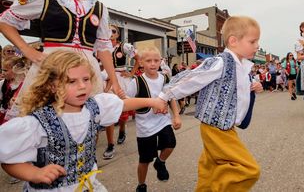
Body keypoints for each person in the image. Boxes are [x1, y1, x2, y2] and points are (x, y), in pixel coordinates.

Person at [0, 50, 166, 192]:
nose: (82, 86)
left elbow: (123, 104)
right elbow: (8, 158)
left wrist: (152, 101)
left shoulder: (95, 106)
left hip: (89, 185)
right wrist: (33, 174)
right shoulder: (36, 123)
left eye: (86, 79)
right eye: (71, 81)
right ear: (51, 85)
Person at [0, 0, 123, 117]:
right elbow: (5, 21)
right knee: (45, 119)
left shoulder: (100, 8)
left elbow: (103, 48)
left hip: (87, 70)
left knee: (85, 121)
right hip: (52, 65)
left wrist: (114, 81)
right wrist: (27, 50)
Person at [152, 16, 263, 191]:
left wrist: (253, 86)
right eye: (253, 41)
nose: (257, 46)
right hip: (217, 128)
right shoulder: (220, 62)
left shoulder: (242, 66)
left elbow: (237, 89)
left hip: (224, 126)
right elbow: (192, 78)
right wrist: (164, 95)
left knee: (210, 168)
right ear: (233, 41)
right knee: (248, 170)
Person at [125, 46, 181, 192]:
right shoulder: (136, 82)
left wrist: (176, 115)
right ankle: (141, 184)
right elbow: (127, 102)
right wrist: (148, 102)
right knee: (145, 160)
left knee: (170, 144)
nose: (153, 63)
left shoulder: (165, 78)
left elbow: (171, 98)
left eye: (156, 60)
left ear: (161, 61)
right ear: (141, 62)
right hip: (146, 126)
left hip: (163, 121)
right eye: (148, 60)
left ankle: (160, 162)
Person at [102, 24, 139, 159]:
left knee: (122, 109)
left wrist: (131, 73)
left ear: (117, 34)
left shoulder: (124, 47)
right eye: (107, 30)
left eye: (113, 31)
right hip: (106, 79)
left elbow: (138, 59)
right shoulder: (101, 47)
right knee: (108, 111)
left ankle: (122, 129)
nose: (110, 33)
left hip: (121, 79)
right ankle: (110, 144)